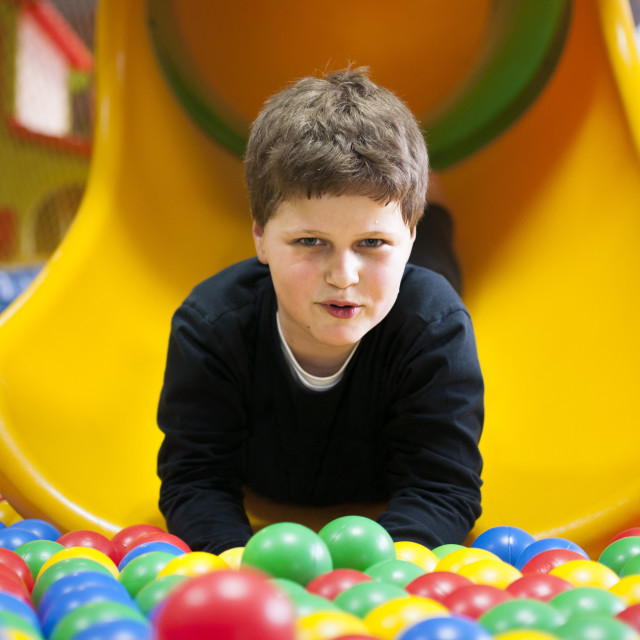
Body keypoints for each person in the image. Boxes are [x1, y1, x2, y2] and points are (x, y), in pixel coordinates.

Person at [156, 68, 483, 554]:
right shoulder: (209, 328)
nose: (343, 275)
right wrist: (236, 563)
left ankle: (431, 213)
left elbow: (444, 487)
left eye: (372, 242)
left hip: (411, 293)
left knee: (434, 279)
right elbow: (195, 480)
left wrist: (380, 575)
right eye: (310, 241)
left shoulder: (435, 328)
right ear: (260, 237)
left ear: (404, 238)